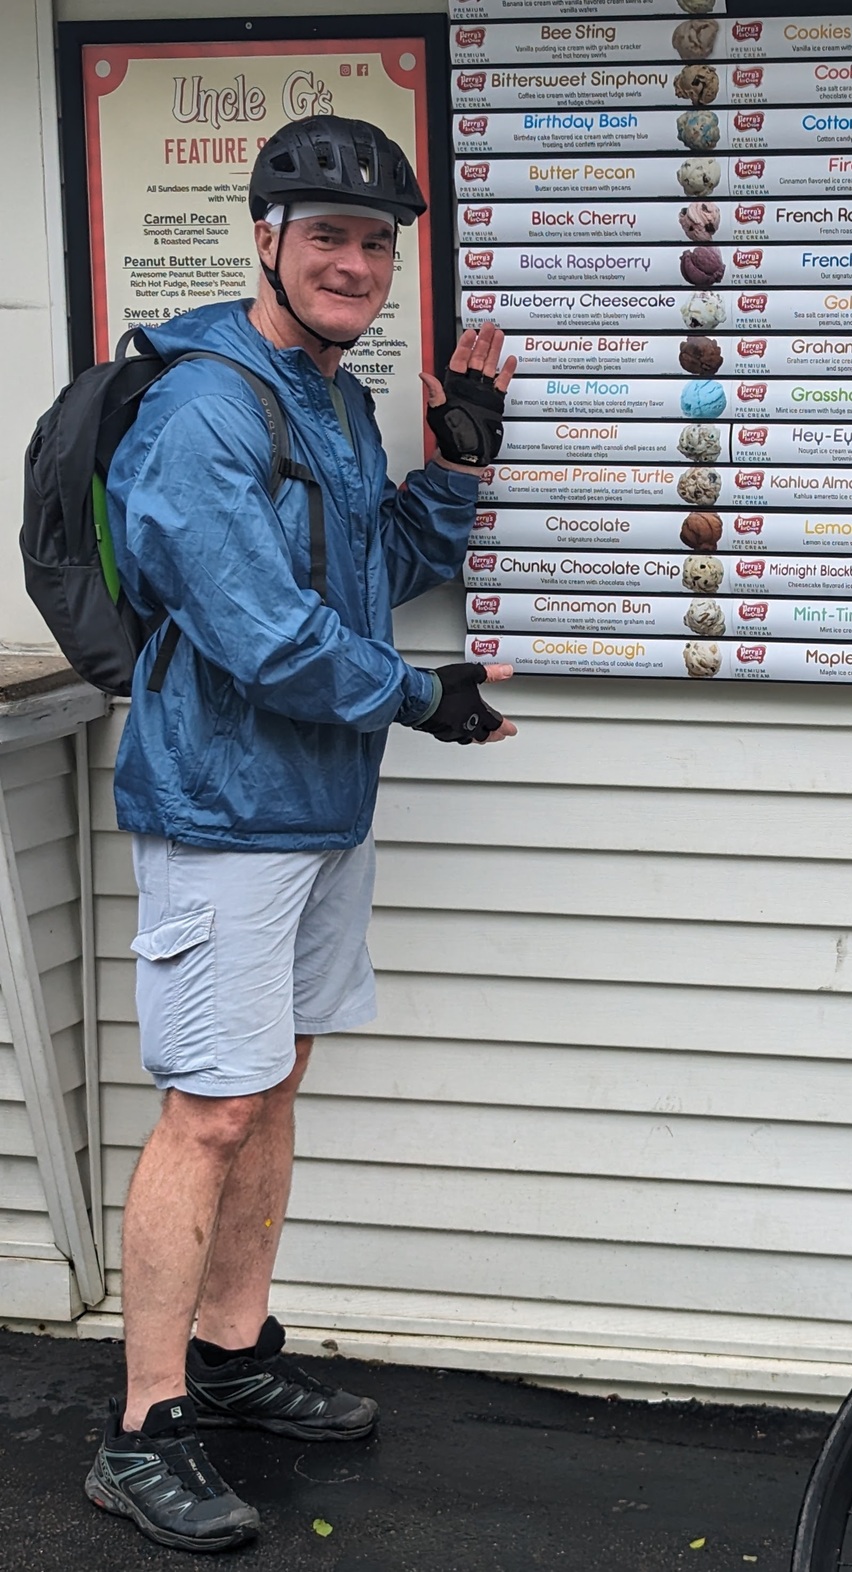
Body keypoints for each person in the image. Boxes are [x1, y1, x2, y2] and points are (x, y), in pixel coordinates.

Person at [83, 115, 519, 1554]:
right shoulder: (205, 407)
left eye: (376, 243)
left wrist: (449, 471)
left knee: (269, 1087)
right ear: (264, 236)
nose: (354, 262)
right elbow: (259, 631)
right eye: (327, 234)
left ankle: (232, 1350)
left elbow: (362, 576)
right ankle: (142, 1429)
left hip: (320, 806)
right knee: (209, 1106)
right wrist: (424, 701)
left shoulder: (330, 398)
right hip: (222, 810)